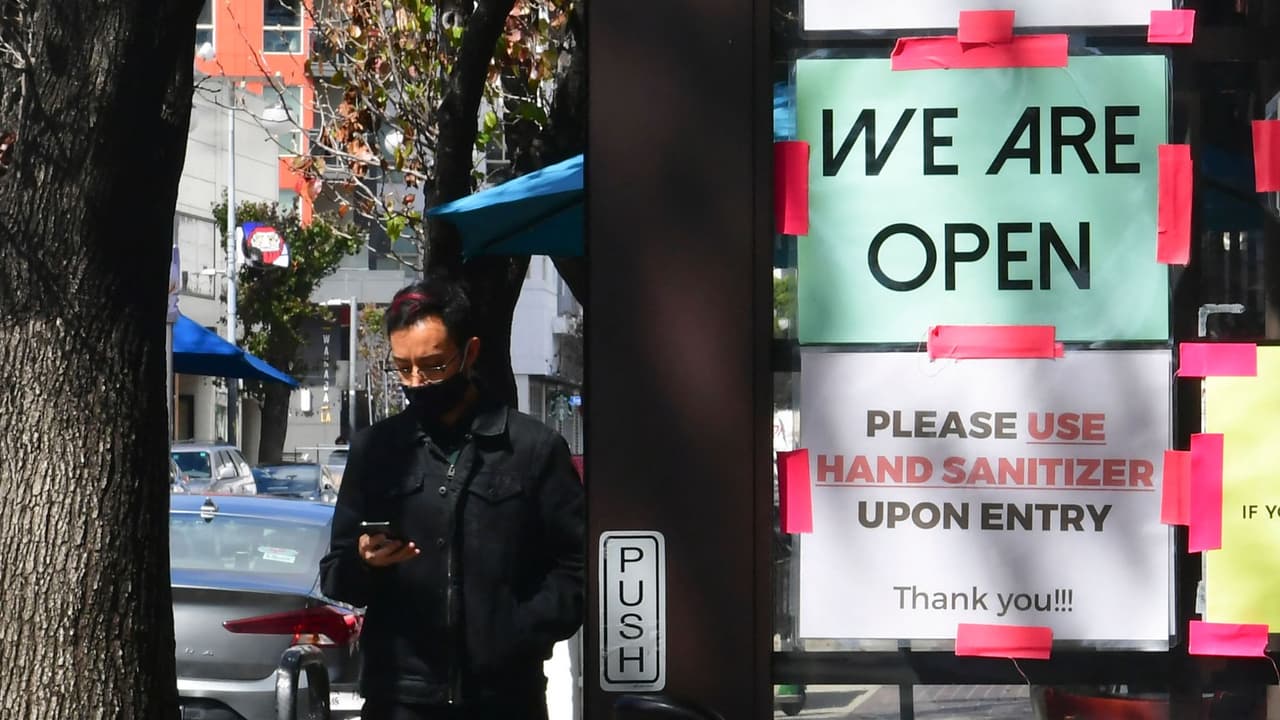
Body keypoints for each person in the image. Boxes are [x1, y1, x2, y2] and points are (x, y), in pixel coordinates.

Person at [320, 272, 585, 720]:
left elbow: (577, 569)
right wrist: (363, 562)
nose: (418, 380)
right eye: (403, 368)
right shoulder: (376, 450)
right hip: (399, 697)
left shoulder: (533, 449)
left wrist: (517, 629)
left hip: (505, 697)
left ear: (470, 354)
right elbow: (335, 576)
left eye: (434, 365)